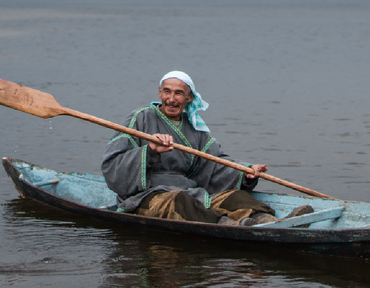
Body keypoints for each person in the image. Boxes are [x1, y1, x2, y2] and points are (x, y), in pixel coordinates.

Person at [101, 71, 311, 226]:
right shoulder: (140, 118)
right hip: (148, 197)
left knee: (237, 197)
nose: (171, 99)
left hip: (191, 192)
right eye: (166, 92)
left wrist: (246, 171)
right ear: (159, 92)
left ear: (189, 98)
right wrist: (149, 151)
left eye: (178, 93)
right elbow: (112, 164)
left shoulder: (195, 128)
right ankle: (234, 225)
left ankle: (273, 223)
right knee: (180, 202)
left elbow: (215, 163)